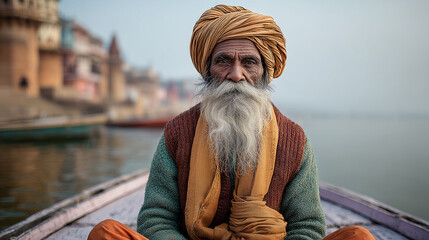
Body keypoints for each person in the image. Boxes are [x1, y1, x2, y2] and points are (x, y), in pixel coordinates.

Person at [88, 5, 375, 240]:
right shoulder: (178, 133)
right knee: (106, 233)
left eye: (249, 62)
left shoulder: (294, 138)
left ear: (264, 73)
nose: (236, 74)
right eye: (224, 60)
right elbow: (155, 219)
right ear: (208, 70)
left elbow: (307, 226)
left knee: (358, 237)